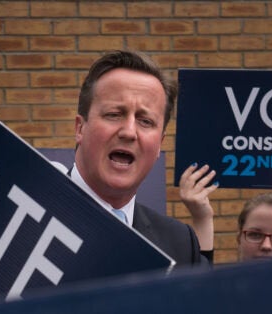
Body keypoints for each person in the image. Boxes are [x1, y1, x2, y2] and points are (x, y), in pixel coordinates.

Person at [71, 49, 213, 267]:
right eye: (114, 114)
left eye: (145, 121)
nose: (129, 132)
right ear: (80, 128)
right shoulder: (19, 214)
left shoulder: (181, 244)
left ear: (159, 144)